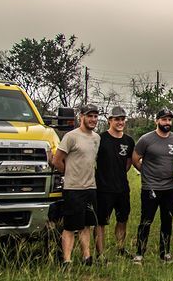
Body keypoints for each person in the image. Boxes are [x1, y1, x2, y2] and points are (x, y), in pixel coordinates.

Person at [52, 104, 101, 269]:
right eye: (90, 116)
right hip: (73, 188)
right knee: (71, 226)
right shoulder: (71, 137)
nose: (93, 119)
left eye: (95, 116)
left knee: (87, 224)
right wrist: (69, 173)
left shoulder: (96, 138)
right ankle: (66, 260)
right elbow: (57, 160)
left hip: (90, 187)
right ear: (82, 117)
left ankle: (87, 257)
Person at [132, 107, 173, 262]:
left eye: (169, 120)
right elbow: (135, 158)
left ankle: (165, 253)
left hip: (170, 188)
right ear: (157, 121)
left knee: (167, 220)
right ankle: (140, 253)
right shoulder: (146, 139)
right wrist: (146, 172)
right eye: (164, 119)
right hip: (150, 188)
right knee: (146, 220)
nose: (167, 122)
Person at [94, 106, 135, 260]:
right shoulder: (100, 138)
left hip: (122, 188)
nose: (120, 122)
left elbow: (128, 163)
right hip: (103, 188)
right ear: (109, 120)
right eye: (117, 119)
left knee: (122, 219)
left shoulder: (129, 141)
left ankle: (121, 248)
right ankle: (100, 254)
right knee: (101, 222)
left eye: (122, 119)